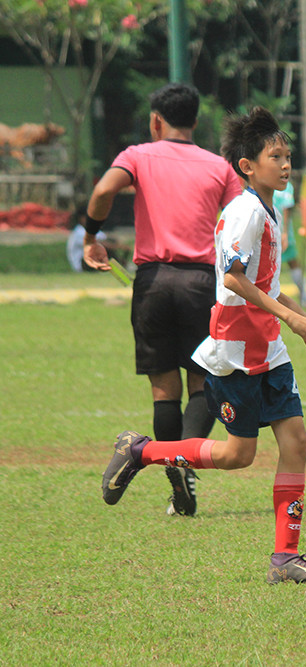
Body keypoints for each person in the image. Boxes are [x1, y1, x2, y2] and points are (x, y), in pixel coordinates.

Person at [100, 107, 306, 585]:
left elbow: (263, 281)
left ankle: (285, 559)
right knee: (238, 456)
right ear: (247, 166)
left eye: (288, 155)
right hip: (234, 353)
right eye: (276, 156)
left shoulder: (268, 210)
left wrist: (293, 317)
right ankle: (142, 450)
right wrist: (290, 314)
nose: (287, 164)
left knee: (296, 442)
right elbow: (233, 278)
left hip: (268, 349)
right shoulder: (245, 212)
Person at [83, 82, 244, 517]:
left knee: (163, 388)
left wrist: (91, 236)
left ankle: (171, 466)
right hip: (199, 282)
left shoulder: (137, 155)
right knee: (203, 381)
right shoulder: (219, 166)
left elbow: (101, 193)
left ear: (157, 120)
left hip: (152, 281)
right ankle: (184, 467)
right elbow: (237, 219)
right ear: (195, 120)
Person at [273, 180, 306, 307]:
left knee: (291, 262)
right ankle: (304, 297)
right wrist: (284, 233)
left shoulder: (265, 182)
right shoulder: (284, 185)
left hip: (272, 230)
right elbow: (286, 208)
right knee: (291, 264)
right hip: (280, 231)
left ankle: (304, 297)